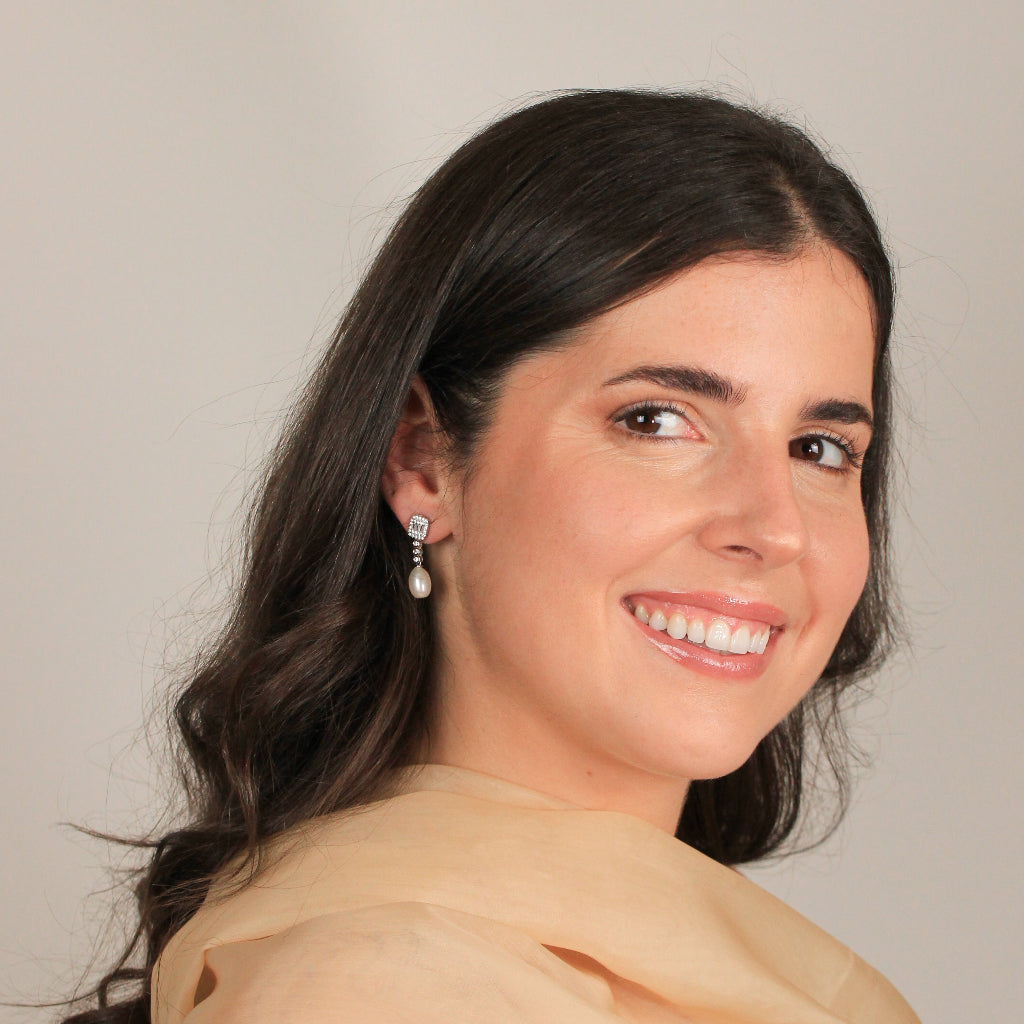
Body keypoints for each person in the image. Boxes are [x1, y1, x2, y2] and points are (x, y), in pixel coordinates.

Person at [64, 89, 921, 1023]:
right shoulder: (376, 992)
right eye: (655, 420)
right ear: (422, 460)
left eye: (820, 448)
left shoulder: (710, 977)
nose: (775, 525)